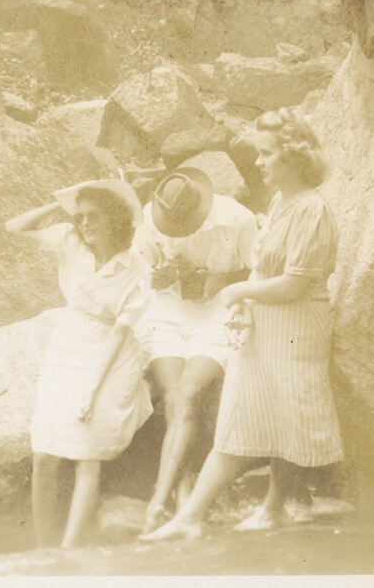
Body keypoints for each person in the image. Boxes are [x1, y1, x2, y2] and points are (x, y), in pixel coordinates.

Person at [141, 108, 344, 542]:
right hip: (267, 322)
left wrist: (236, 292)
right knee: (241, 417)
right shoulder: (280, 202)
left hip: (297, 326)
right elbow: (264, 268)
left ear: (292, 157)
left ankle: (269, 508)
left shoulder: (312, 210)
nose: (258, 161)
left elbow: (295, 283)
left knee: (287, 417)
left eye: (266, 153)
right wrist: (243, 302)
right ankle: (192, 516)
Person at [4, 179, 153, 549]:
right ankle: (44, 547)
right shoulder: (69, 241)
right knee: (44, 452)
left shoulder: (136, 269)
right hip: (68, 344)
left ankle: (68, 551)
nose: (84, 223)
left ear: (115, 219)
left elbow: (118, 334)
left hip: (111, 355)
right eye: (80, 216)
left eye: (93, 216)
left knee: (87, 452)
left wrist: (89, 390)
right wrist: (62, 205)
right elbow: (14, 227)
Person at [133, 167, 258, 533]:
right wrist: (166, 274)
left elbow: (260, 272)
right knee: (173, 394)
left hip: (219, 310)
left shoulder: (237, 219)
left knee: (189, 392)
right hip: (168, 310)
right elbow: (141, 275)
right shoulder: (151, 217)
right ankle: (182, 491)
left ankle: (159, 501)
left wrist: (221, 279)